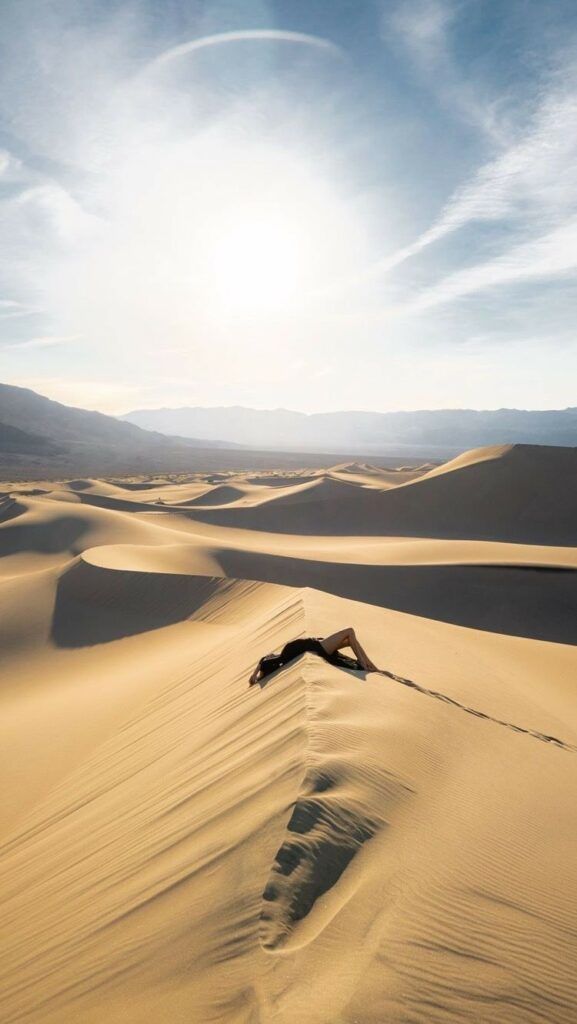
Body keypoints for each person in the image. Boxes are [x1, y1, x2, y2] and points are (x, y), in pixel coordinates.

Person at [249, 626, 378, 686]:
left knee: (350, 639)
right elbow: (261, 664)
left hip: (315, 644)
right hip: (316, 646)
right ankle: (365, 664)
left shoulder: (271, 662)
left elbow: (262, 660)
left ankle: (368, 664)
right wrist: (255, 676)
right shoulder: (266, 665)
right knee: (350, 632)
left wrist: (256, 676)